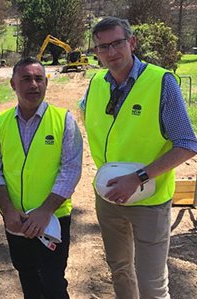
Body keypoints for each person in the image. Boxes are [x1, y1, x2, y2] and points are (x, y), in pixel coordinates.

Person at [81, 17, 197, 298]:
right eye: (102, 47)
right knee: (119, 270)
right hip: (108, 197)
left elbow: (187, 143)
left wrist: (138, 177)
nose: (111, 52)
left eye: (117, 43)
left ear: (131, 43)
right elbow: (86, 116)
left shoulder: (161, 82)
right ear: (96, 52)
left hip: (150, 201)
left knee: (151, 285)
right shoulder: (96, 83)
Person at [0, 57, 83, 299]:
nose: (33, 85)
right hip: (16, 220)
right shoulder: (0, 124)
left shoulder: (64, 121)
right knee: (27, 276)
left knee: (53, 282)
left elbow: (71, 169)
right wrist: (7, 210)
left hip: (53, 220)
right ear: (12, 84)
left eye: (39, 79)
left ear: (46, 83)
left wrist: (45, 210)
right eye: (26, 79)